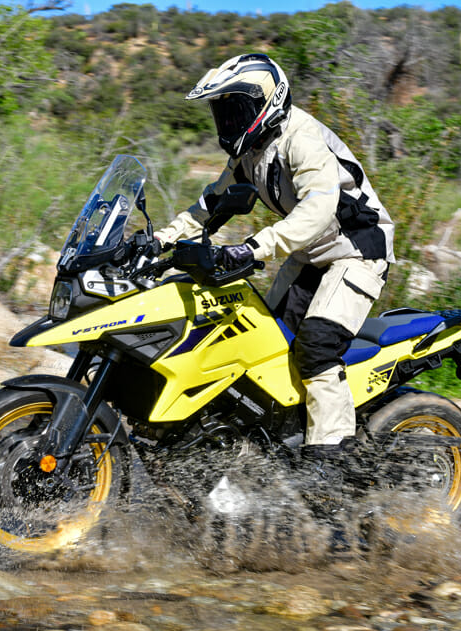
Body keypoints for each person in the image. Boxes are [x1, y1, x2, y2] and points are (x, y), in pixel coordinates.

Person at [155, 53, 395, 465]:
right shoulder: (249, 153)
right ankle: (279, 442)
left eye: (236, 111)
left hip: (356, 250)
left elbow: (318, 209)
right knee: (266, 344)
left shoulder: (301, 139)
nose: (228, 123)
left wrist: (253, 247)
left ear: (267, 104)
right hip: (311, 251)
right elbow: (209, 207)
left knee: (317, 345)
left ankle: (330, 457)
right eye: (222, 113)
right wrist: (156, 241)